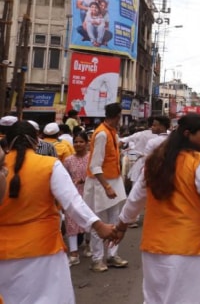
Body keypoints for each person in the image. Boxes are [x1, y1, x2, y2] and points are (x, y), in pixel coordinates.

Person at [114, 113, 200, 303]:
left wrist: (121, 225)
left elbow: (135, 198)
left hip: (154, 247)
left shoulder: (156, 161)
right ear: (188, 134)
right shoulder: (199, 163)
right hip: (186, 248)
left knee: (155, 299)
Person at [0, 121, 117, 303]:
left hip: (4, 253)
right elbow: (72, 201)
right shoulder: (49, 165)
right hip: (43, 250)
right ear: (36, 143)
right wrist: (98, 225)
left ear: (6, 144)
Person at [83, 102, 128, 272]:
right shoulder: (102, 134)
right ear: (117, 117)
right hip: (101, 183)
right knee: (99, 223)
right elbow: (95, 165)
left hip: (113, 180)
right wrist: (106, 186)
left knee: (115, 221)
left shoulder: (112, 133)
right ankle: (96, 259)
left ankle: (111, 256)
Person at [64, 131, 91, 266]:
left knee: (89, 220)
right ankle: (74, 253)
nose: (78, 144)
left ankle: (88, 245)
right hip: (73, 194)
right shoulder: (68, 160)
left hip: (89, 193)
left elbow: (97, 176)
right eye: (76, 141)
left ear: (87, 143)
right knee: (71, 222)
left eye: (81, 141)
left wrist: (83, 180)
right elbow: (64, 178)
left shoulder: (92, 158)